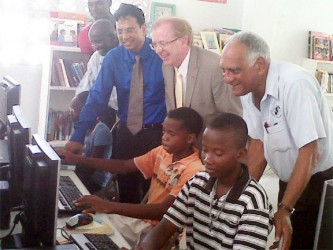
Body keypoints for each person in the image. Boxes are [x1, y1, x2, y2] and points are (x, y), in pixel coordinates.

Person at [220, 31, 333, 250]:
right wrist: (241, 194)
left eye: (234, 71)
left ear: (260, 65)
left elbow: (310, 153)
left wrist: (285, 208)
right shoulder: (246, 89)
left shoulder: (295, 84)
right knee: (285, 242)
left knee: (311, 242)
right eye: (223, 70)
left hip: (319, 182)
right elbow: (259, 144)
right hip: (290, 179)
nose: (227, 78)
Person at [60, 107, 205, 247]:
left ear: (190, 138)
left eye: (171, 134)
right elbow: (124, 166)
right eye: (164, 131)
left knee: (85, 229)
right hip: (141, 223)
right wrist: (77, 159)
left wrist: (110, 206)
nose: (164, 137)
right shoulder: (162, 152)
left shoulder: (193, 170)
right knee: (78, 224)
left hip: (157, 233)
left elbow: (163, 210)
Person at [65, 3, 166, 204]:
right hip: (127, 133)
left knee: (152, 195)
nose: (125, 36)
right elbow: (97, 98)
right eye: (120, 31)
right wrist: (78, 135)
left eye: (130, 30)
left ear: (143, 29)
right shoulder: (113, 58)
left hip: (157, 137)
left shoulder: (161, 55)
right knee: (126, 193)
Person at [137, 113, 274, 250]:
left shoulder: (254, 202)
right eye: (205, 150)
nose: (207, 159)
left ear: (240, 155)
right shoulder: (198, 181)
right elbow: (166, 226)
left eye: (218, 153)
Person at [151, 17, 242, 131]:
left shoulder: (215, 67)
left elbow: (231, 118)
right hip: (181, 144)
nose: (158, 50)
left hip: (208, 144)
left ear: (183, 41)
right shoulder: (167, 65)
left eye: (163, 43)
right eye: (154, 44)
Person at [69, 91, 116, 193]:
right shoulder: (80, 128)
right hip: (80, 171)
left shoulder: (101, 131)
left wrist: (71, 163)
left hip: (94, 181)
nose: (71, 112)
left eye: (76, 109)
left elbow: (93, 166)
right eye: (71, 108)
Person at [75, 19, 119, 110]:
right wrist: (77, 103)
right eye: (93, 43)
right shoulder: (96, 57)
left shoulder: (126, 56)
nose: (95, 46)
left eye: (98, 41)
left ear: (113, 37)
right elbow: (86, 87)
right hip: (107, 111)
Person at [79, 0, 116, 68]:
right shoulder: (85, 34)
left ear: (109, 3)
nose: (94, 8)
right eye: (90, 4)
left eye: (99, 3)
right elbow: (90, 72)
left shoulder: (125, 28)